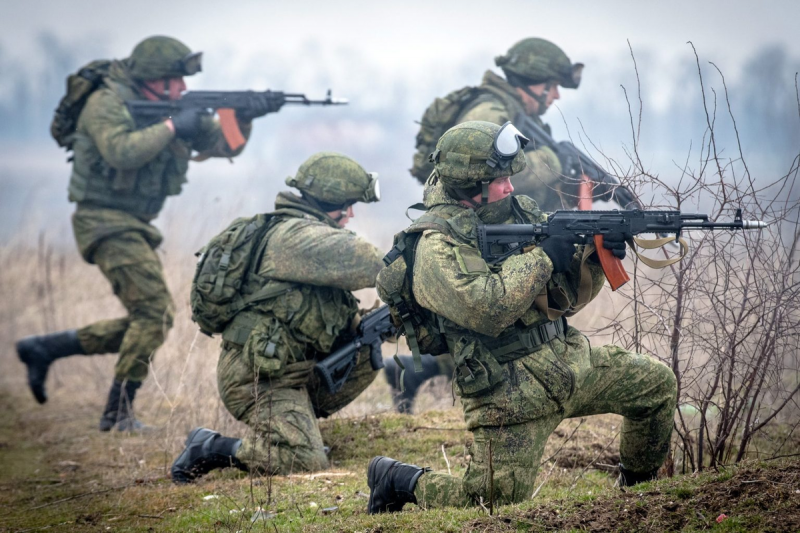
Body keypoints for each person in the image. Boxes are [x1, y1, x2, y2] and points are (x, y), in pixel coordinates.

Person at [369, 121, 677, 513]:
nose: (511, 187)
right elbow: (486, 308)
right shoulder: (435, 246)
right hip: (509, 393)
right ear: (472, 184)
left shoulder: (517, 213)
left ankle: (638, 502)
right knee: (487, 504)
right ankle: (397, 479)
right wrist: (545, 255)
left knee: (656, 387)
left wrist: (597, 257)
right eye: (500, 180)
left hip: (566, 363)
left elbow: (562, 301)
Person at [16, 35, 270, 431]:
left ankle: (44, 349)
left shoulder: (172, 108)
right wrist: (172, 126)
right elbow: (120, 150)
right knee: (153, 314)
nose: (184, 89)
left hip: (133, 224)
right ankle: (117, 415)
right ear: (155, 79)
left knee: (150, 318)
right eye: (177, 80)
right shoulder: (106, 103)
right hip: (103, 220)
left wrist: (247, 116)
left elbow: (226, 146)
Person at [395, 38, 586, 412]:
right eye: (553, 86)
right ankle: (411, 371)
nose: (557, 96)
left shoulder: (510, 111)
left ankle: (413, 373)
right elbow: (483, 166)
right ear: (533, 82)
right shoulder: (490, 109)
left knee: (478, 316)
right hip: (463, 224)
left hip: (483, 223)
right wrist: (556, 162)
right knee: (466, 310)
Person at [171, 152, 385, 483]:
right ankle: (211, 446)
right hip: (256, 379)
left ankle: (295, 426)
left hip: (290, 370)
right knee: (304, 462)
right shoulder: (296, 239)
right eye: (349, 203)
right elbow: (375, 264)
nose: (352, 214)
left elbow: (332, 319)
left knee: (366, 349)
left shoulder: (301, 232)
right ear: (331, 199)